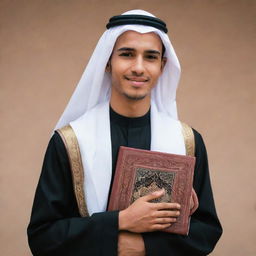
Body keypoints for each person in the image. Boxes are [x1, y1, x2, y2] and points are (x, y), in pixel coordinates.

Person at [27, 9, 222, 256]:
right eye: (127, 54)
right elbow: (42, 237)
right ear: (107, 61)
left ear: (162, 66)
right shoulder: (71, 141)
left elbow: (206, 231)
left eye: (150, 57)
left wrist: (142, 247)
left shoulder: (187, 141)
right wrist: (120, 221)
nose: (138, 67)